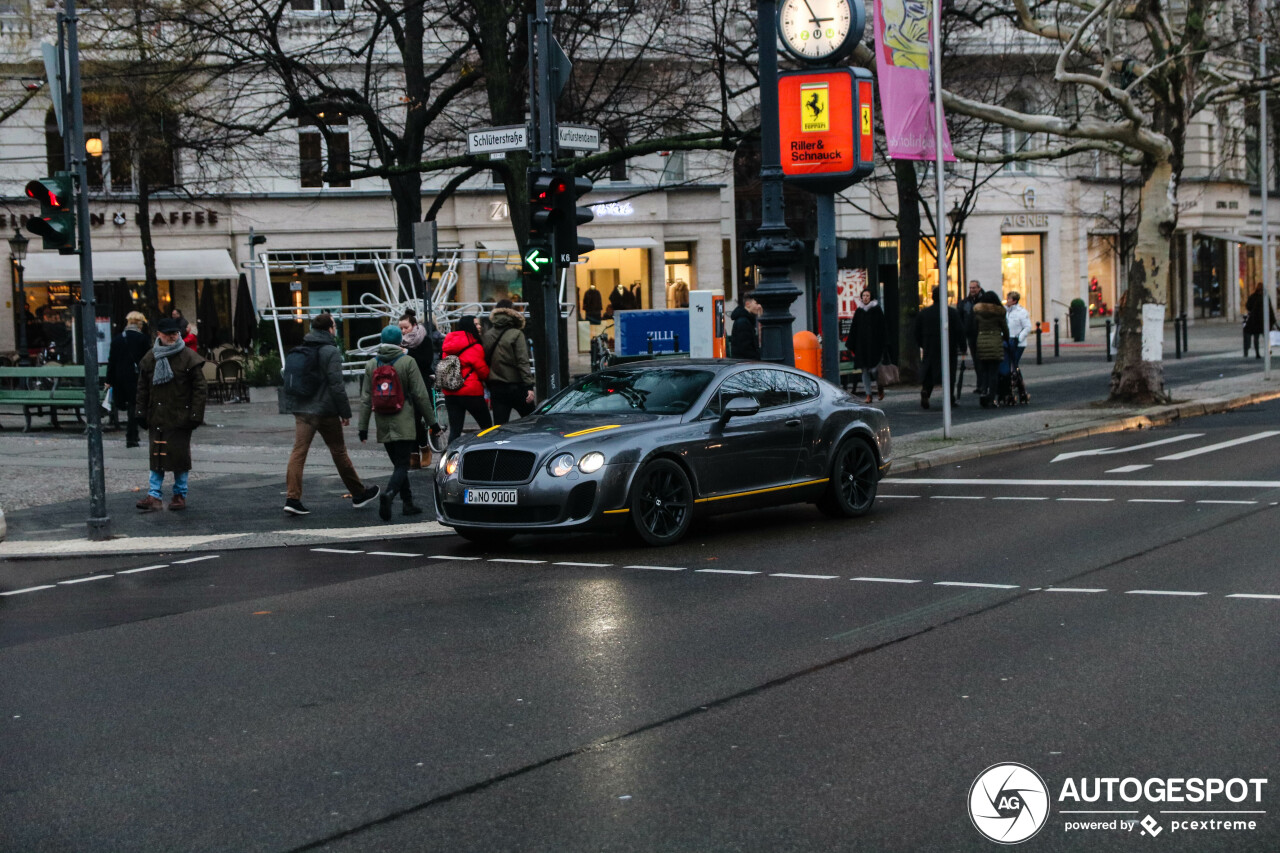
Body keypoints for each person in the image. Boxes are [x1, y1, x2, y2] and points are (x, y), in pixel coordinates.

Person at [283, 312, 380, 516]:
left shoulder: (303, 346)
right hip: (324, 410)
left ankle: (292, 498)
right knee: (338, 451)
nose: (335, 329)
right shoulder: (330, 351)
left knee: (298, 452)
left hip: (302, 408)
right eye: (334, 325)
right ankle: (358, 493)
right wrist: (345, 412)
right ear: (329, 329)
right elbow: (337, 385)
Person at [358, 324, 436, 521]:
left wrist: (363, 427)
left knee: (398, 465)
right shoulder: (408, 362)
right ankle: (390, 494)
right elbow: (421, 395)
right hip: (404, 420)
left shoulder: (371, 365)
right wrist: (432, 422)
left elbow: (366, 398)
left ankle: (408, 503)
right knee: (402, 465)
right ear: (399, 341)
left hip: (382, 421)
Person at [134, 317, 207, 511]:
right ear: (159, 334)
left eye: (175, 333)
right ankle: (154, 495)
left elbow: (200, 388)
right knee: (156, 456)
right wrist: (140, 412)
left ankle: (179, 494)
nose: (172, 337)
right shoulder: (150, 358)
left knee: (179, 458)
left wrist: (195, 415)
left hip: (180, 416)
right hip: (157, 415)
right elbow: (142, 388)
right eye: (168, 334)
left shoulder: (188, 357)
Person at [482, 299, 536, 425]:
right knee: (532, 423)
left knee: (500, 427)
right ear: (512, 313)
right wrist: (529, 386)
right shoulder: (517, 334)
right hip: (517, 386)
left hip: (496, 388)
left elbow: (484, 361)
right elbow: (523, 361)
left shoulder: (488, 335)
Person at [440, 315, 492, 439]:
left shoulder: (448, 344)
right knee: (487, 427)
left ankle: (449, 457)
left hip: (451, 391)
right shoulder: (474, 346)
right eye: (476, 324)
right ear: (470, 326)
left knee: (455, 431)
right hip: (470, 392)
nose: (479, 326)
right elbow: (483, 372)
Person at [912, 286, 963, 410]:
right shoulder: (951, 312)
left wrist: (922, 344)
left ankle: (926, 391)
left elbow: (916, 331)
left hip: (929, 346)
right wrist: (963, 346)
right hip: (948, 347)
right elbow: (959, 330)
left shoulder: (924, 313)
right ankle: (949, 398)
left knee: (929, 372)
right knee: (949, 374)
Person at [398, 309, 437, 467]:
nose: (403, 331)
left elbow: (426, 361)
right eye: (400, 328)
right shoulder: (399, 341)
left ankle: (424, 448)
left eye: (406, 327)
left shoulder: (424, 340)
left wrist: (407, 352)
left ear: (414, 325)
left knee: (416, 418)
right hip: (405, 384)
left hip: (421, 382)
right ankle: (414, 454)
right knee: (409, 420)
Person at [105, 311, 149, 447]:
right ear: (140, 324)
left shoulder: (117, 339)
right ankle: (131, 436)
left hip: (120, 377)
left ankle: (132, 434)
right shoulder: (142, 339)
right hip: (136, 377)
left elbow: (111, 360)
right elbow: (147, 360)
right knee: (134, 406)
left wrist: (109, 379)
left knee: (128, 405)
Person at [970, 290, 1010, 408]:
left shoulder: (978, 312)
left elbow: (973, 328)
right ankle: (991, 397)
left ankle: (983, 392)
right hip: (995, 343)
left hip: (981, 343)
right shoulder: (999, 313)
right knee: (993, 372)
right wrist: (1005, 338)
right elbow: (1005, 329)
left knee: (984, 371)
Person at [849, 289, 888, 403]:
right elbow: (854, 328)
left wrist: (884, 343)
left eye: (867, 295)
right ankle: (868, 394)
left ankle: (880, 386)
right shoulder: (859, 311)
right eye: (864, 295)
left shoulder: (876, 310)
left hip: (874, 346)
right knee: (864, 370)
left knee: (875, 370)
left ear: (871, 297)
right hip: (862, 346)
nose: (865, 297)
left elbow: (882, 327)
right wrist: (853, 344)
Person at [955, 279, 982, 396]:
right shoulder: (965, 302)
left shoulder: (984, 300)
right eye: (970, 288)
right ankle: (980, 384)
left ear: (979, 288)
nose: (972, 290)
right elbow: (960, 318)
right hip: (971, 335)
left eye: (974, 288)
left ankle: (983, 384)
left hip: (981, 334)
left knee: (982, 360)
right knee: (976, 360)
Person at [1243, 283, 1276, 359]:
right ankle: (1268, 352)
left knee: (1256, 338)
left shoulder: (1253, 297)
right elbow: (1270, 310)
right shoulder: (1265, 297)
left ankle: (1258, 353)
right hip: (1263, 320)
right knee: (1266, 338)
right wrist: (1273, 320)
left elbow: (1248, 307)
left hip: (1256, 320)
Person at [1004, 291, 1032, 368]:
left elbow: (1028, 327)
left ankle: (1016, 379)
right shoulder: (1005, 311)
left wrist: (1019, 338)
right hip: (1007, 341)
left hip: (1018, 343)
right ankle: (1015, 379)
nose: (1007, 300)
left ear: (1014, 301)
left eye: (1009, 299)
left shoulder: (1021, 312)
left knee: (1013, 363)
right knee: (1008, 364)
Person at [730, 294, 762, 360]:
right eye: (756, 303)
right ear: (748, 304)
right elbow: (745, 349)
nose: (759, 306)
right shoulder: (743, 322)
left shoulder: (745, 320)